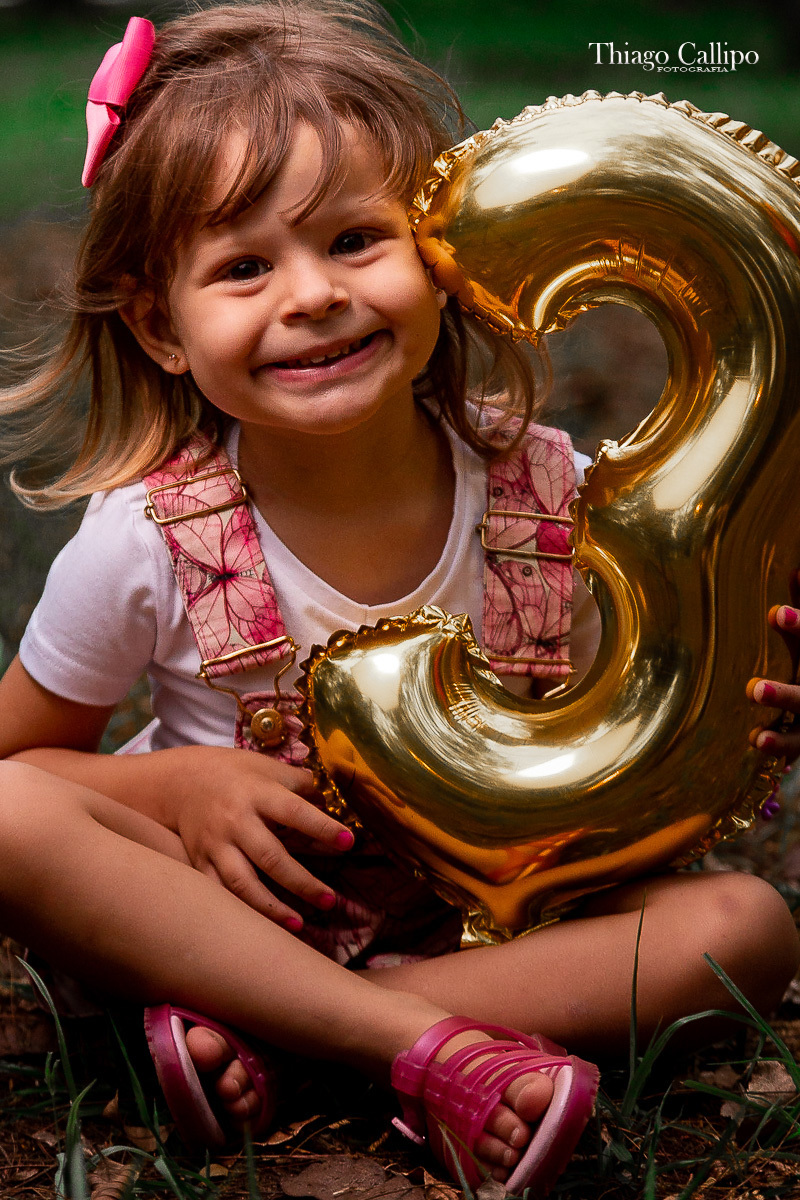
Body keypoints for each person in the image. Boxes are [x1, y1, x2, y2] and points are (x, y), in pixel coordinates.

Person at [0, 3, 797, 1192]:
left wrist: (735, 719)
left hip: (498, 930)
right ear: (163, 327)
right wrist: (170, 786)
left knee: (743, 930)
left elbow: (632, 738)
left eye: (354, 239)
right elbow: (21, 759)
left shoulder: (555, 500)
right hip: (223, 915)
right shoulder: (145, 541)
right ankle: (423, 1049)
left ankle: (310, 1031)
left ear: (440, 255)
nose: (312, 294)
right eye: (245, 267)